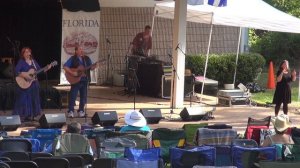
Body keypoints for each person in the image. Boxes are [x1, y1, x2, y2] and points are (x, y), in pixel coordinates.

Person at [13, 47, 51, 121]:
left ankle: (32, 115)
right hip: (24, 84)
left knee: (34, 99)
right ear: (23, 54)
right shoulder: (21, 62)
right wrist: (25, 75)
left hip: (33, 84)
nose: (27, 53)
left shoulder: (33, 61)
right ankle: (23, 116)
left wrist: (46, 68)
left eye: (28, 52)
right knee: (24, 100)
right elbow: (16, 71)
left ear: (30, 53)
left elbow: (39, 71)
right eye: (25, 52)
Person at [63, 46, 98, 118]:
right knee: (73, 96)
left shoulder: (86, 58)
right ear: (76, 51)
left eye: (82, 49)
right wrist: (73, 73)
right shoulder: (73, 59)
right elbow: (65, 66)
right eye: (80, 49)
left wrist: (95, 66)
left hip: (85, 80)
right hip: (75, 80)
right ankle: (71, 111)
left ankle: (81, 110)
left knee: (83, 96)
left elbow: (91, 68)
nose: (82, 50)